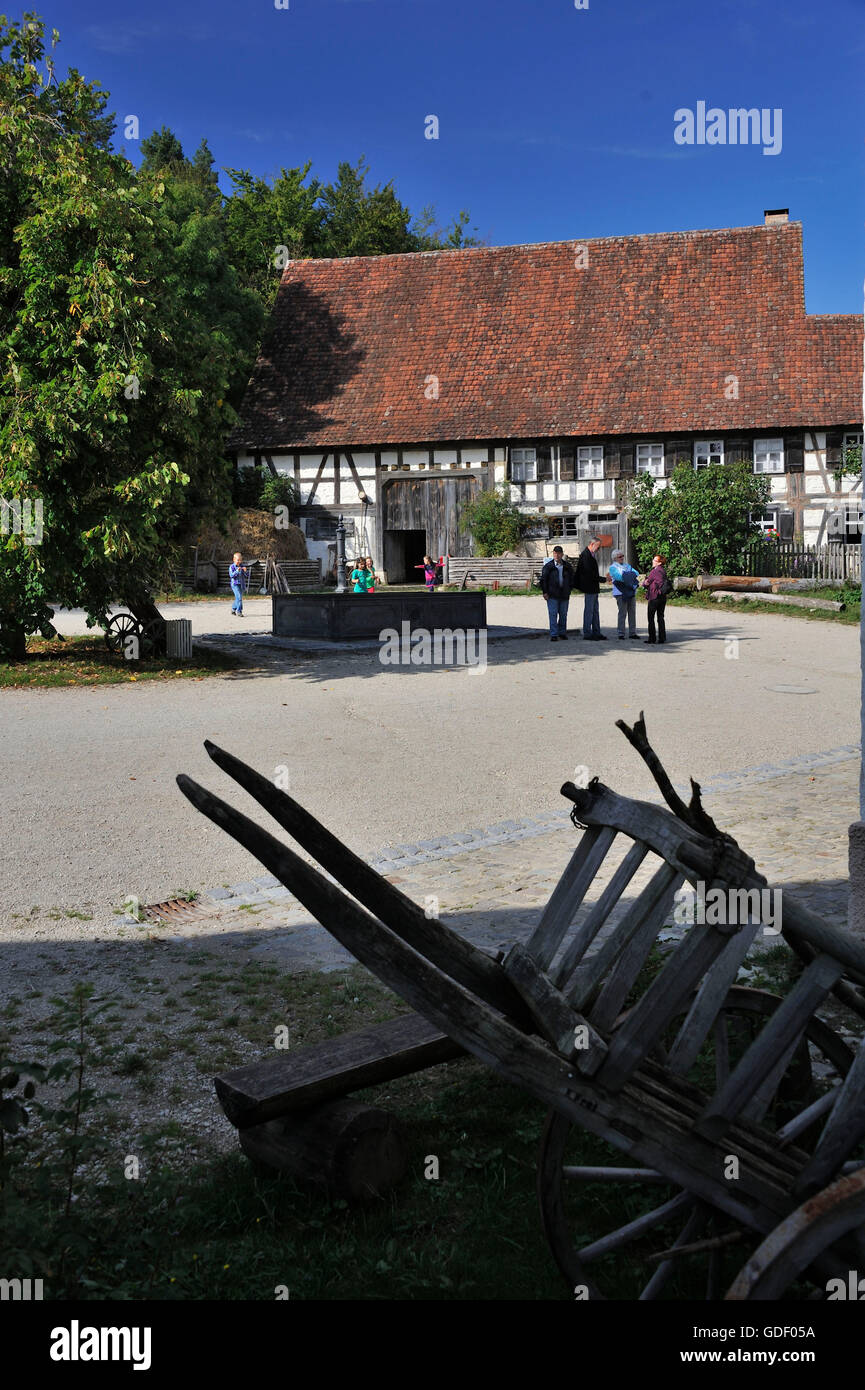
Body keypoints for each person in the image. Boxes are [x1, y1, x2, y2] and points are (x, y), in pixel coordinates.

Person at [574, 538, 608, 640]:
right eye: (598, 547)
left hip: (593, 587)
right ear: (592, 544)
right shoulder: (585, 556)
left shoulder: (590, 555)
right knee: (589, 611)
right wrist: (604, 579)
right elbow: (590, 575)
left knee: (595, 611)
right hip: (589, 587)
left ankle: (596, 632)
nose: (598, 549)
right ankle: (587, 633)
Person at [540, 545, 574, 641]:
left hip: (564, 594)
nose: (556, 555)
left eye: (558, 553)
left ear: (562, 554)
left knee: (563, 614)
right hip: (552, 594)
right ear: (553, 554)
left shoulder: (567, 566)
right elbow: (543, 580)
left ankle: (562, 633)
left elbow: (572, 578)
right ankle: (554, 634)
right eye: (555, 553)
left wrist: (569, 588)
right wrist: (545, 592)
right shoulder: (548, 566)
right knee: (553, 614)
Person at [608, 549, 641, 640]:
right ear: (615, 558)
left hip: (630, 591)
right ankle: (621, 633)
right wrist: (628, 575)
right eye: (620, 556)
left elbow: (636, 573)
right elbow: (619, 577)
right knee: (622, 613)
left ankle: (632, 633)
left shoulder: (627, 565)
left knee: (632, 613)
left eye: (623, 556)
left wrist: (626, 575)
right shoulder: (612, 567)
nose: (622, 558)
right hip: (620, 592)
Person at [641, 554, 670, 644]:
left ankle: (652, 638)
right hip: (662, 597)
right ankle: (662, 637)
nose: (653, 561)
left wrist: (644, 583)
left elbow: (647, 582)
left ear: (659, 563)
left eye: (655, 560)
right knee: (660, 617)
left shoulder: (654, 571)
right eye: (653, 559)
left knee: (651, 617)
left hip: (654, 596)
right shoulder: (663, 571)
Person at [229, 551, 248, 617]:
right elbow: (231, 575)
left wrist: (245, 571)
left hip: (241, 584)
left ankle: (233, 609)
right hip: (235, 584)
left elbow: (246, 576)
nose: (239, 562)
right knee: (239, 598)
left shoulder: (242, 566)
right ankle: (239, 611)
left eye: (240, 560)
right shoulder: (232, 567)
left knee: (238, 598)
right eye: (238, 560)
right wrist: (237, 571)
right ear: (234, 560)